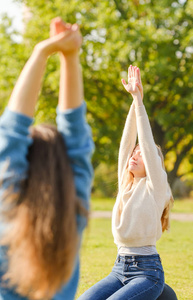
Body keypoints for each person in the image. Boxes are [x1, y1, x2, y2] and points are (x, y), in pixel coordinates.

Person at [0, 17, 94, 300]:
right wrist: (71, 56)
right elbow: (75, 137)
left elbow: (11, 131)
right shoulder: (72, 216)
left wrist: (43, 51)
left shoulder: (8, 215)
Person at [78, 65, 176, 300]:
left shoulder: (156, 186)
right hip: (119, 268)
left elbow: (146, 141)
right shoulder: (127, 186)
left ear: (153, 162)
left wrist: (140, 104)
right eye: (135, 152)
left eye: (141, 154)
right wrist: (134, 100)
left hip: (147, 272)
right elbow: (126, 143)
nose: (134, 155)